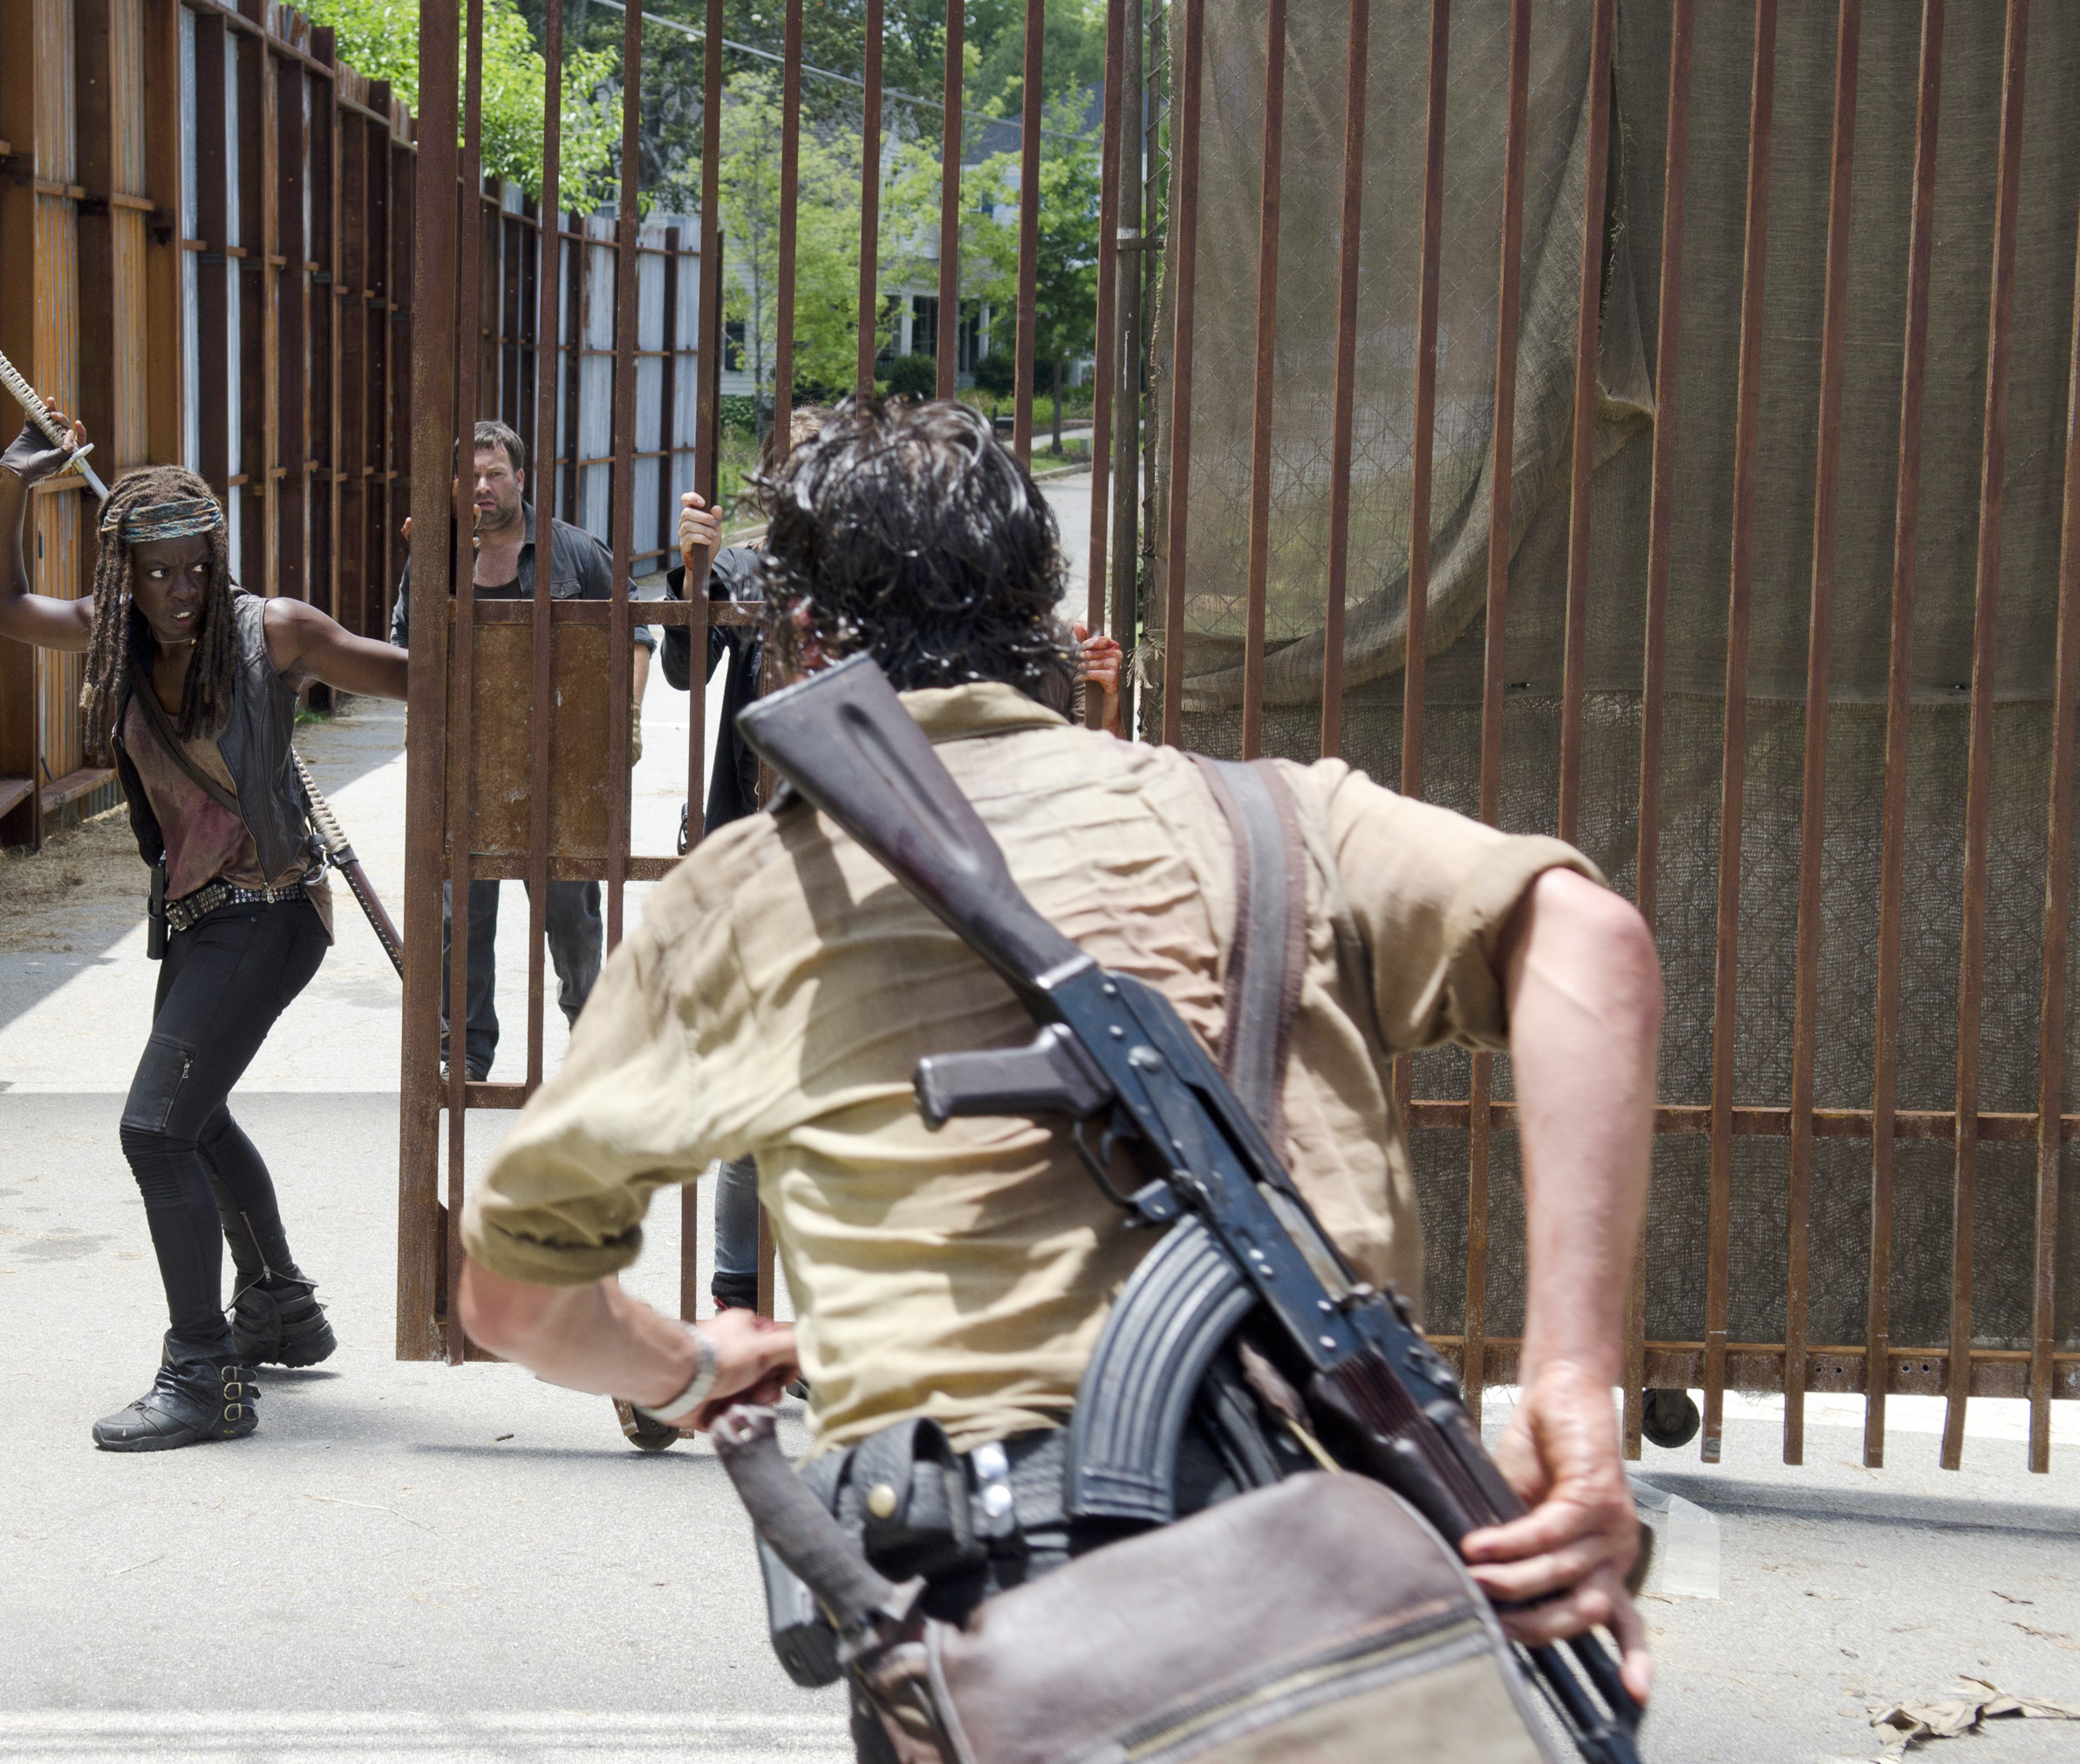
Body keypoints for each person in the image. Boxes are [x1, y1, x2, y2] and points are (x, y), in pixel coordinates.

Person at [457, 396, 1657, 1751]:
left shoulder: (744, 894)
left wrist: (683, 1368)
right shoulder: (1275, 819)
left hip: (1011, 1616)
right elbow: (1590, 939)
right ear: (1045, 611)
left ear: (804, 637)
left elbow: (514, 1293)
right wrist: (1569, 1375)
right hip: (1358, 1578)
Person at [0, 418, 410, 1452]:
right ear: (125, 572)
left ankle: (203, 1372)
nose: (181, 591)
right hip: (192, 913)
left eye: (196, 568)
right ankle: (278, 1308)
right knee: (195, 1116)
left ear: (219, 561)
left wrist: (454, 596)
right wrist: (13, 492)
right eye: (159, 572)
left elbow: (418, 676)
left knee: (153, 1129)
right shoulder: (111, 629)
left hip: (267, 910)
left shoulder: (277, 631)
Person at [655, 480, 1124, 1332]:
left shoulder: (937, 603)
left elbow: (1054, 753)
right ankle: (738, 1306)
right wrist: (690, 573)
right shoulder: (750, 576)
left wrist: (1094, 695)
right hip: (778, 877)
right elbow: (685, 665)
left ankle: (875, 1317)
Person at [387, 419, 653, 1083]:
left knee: (571, 917)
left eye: (495, 473)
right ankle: (466, 1056)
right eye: (471, 476)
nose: (482, 486)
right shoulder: (436, 557)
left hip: (560, 767)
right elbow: (400, 647)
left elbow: (638, 632)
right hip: (464, 765)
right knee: (462, 920)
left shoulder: (571, 553)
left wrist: (625, 719)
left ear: (520, 478)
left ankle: (590, 1045)